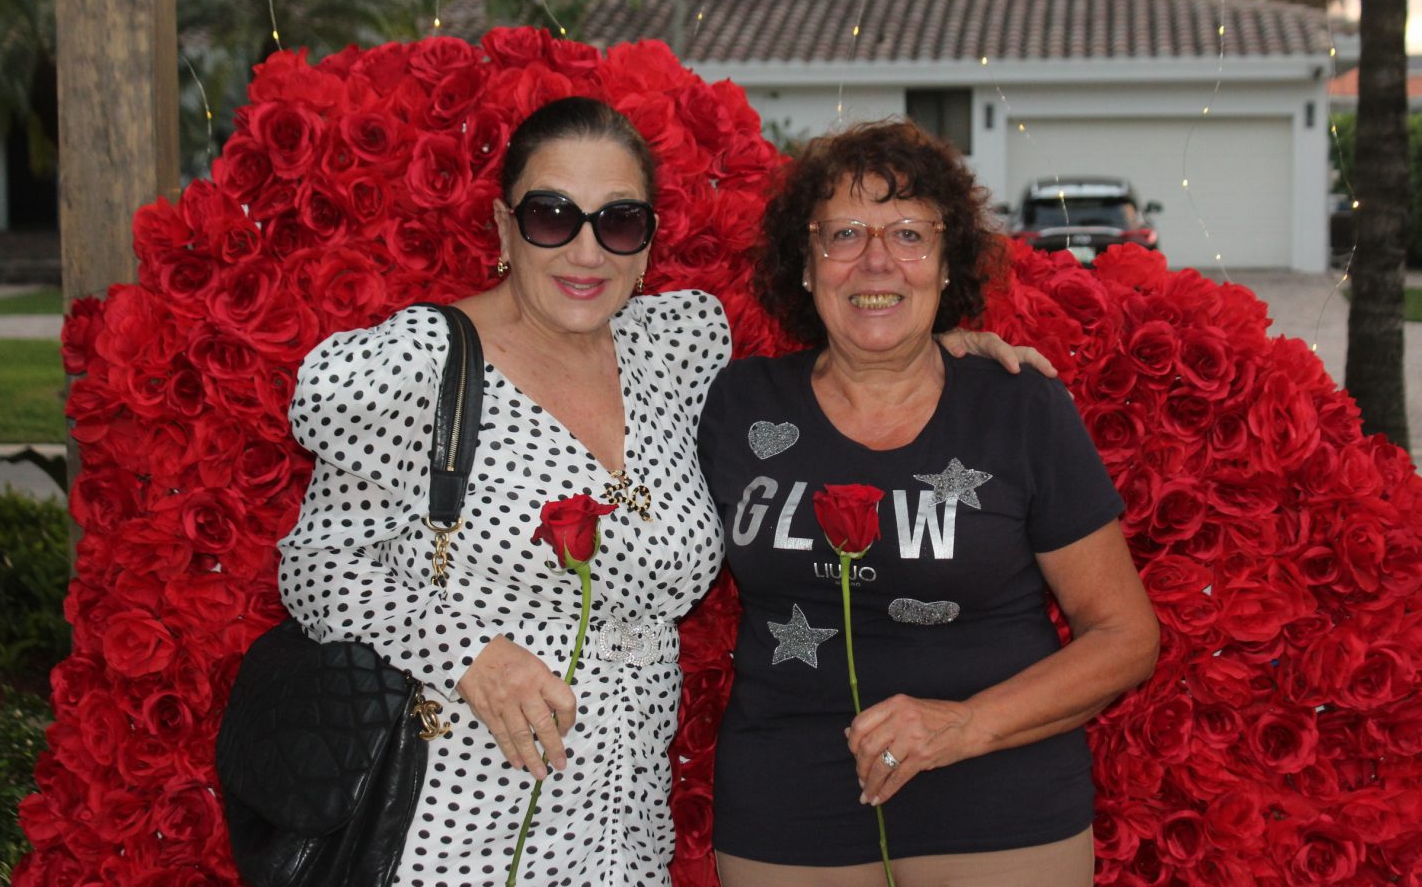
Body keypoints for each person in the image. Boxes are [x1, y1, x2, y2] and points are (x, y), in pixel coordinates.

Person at [275, 97, 1046, 887]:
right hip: (455, 818)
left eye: (618, 222)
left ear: (646, 241)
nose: (585, 251)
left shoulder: (672, 350)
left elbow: (819, 387)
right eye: (551, 216)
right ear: (505, 229)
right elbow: (314, 567)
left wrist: (918, 350)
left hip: (623, 827)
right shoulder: (419, 368)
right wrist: (472, 656)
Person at [697, 120, 1160, 887]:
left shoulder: (1019, 408)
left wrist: (966, 724)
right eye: (844, 233)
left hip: (999, 803)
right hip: (788, 806)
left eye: (909, 234)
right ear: (805, 266)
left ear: (947, 267)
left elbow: (1125, 635)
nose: (876, 260)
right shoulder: (737, 403)